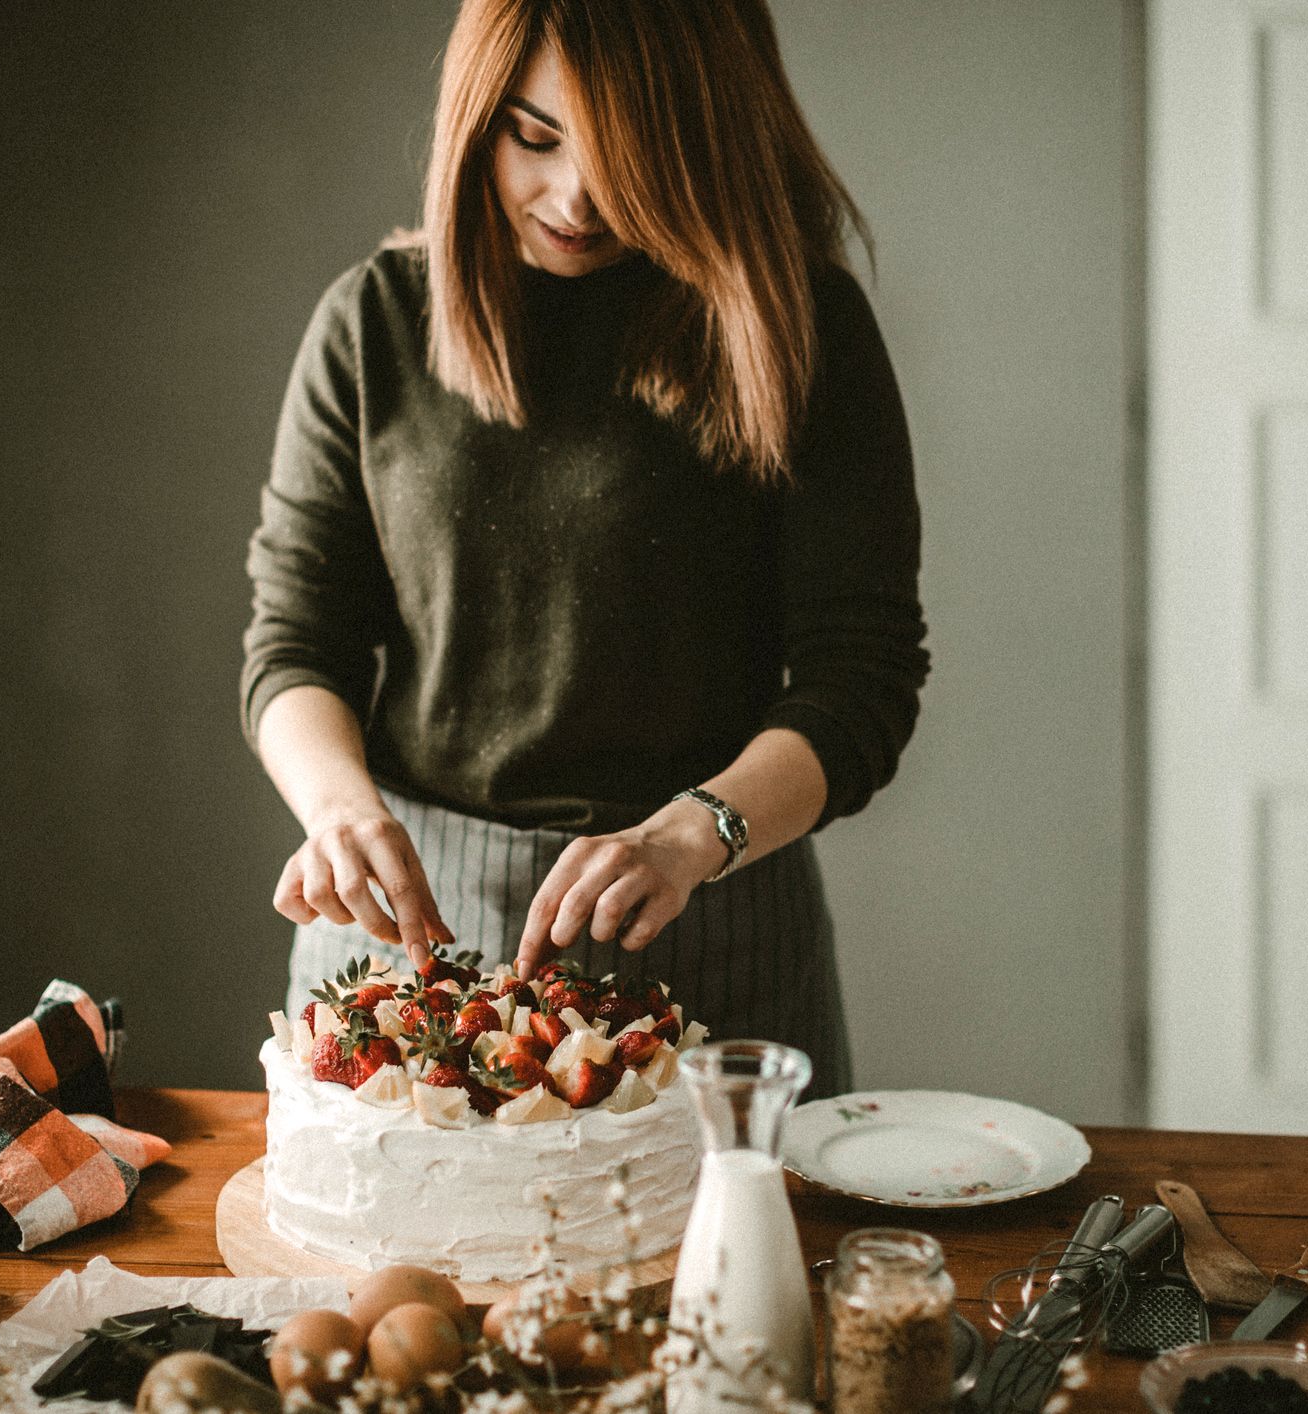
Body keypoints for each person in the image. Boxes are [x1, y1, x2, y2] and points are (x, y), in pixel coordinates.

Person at [240, 0, 926, 1098]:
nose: (575, 199)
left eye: (632, 157)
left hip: (714, 914)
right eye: (535, 137)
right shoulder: (371, 323)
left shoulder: (806, 328)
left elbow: (865, 681)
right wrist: (338, 810)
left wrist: (694, 834)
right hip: (413, 934)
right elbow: (293, 643)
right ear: (478, 119)